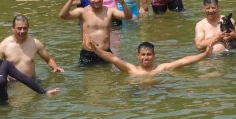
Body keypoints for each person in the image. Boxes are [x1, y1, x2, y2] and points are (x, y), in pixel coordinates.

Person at [81, 33, 225, 77]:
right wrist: (95, 49)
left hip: (157, 90)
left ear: (154, 56)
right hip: (136, 93)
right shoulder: (132, 70)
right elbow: (113, 58)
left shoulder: (161, 69)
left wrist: (205, 55)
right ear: (138, 56)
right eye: (143, 55)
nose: (146, 57)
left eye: (149, 54)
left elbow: (184, 61)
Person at [60, 0, 132, 66]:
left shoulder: (110, 11)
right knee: (89, 78)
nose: (96, 0)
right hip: (88, 54)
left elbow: (128, 16)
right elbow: (63, 15)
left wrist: (123, 3)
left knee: (108, 77)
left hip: (106, 53)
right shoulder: (82, 12)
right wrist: (71, 0)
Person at [0, 14, 64, 82]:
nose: (22, 31)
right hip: (12, 83)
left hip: (31, 82)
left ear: (28, 28)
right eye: (19, 28)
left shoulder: (35, 43)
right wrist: (0, 76)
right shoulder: (4, 45)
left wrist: (55, 67)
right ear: (13, 28)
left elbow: (48, 58)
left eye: (25, 28)